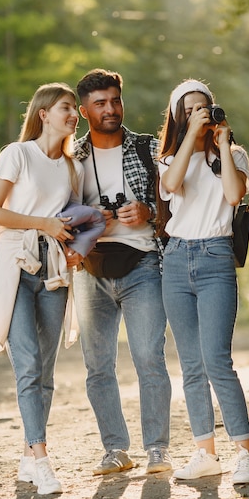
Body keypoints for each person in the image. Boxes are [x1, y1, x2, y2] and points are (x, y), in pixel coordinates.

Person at [0, 82, 95, 495]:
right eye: (66, 107)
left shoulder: (72, 168)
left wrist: (77, 251)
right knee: (27, 363)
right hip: (16, 265)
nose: (73, 115)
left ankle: (29, 455)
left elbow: (77, 219)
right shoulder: (18, 155)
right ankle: (43, 458)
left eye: (74, 110)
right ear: (44, 113)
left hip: (54, 272)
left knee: (44, 372)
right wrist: (43, 224)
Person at [71, 68, 172, 476]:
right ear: (83, 111)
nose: (110, 109)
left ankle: (158, 451)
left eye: (115, 100)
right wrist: (90, 218)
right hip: (91, 269)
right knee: (98, 366)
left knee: (149, 357)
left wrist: (148, 211)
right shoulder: (71, 158)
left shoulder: (149, 148)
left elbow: (175, 203)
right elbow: (56, 215)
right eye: (100, 103)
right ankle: (116, 450)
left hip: (142, 262)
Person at [157, 79, 249, 484]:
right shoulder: (169, 158)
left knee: (217, 360)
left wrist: (222, 143)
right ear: (179, 116)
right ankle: (205, 452)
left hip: (216, 257)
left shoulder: (234, 155)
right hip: (177, 260)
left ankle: (245, 453)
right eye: (190, 109)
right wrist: (191, 138)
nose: (199, 114)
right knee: (191, 365)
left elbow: (233, 196)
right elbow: (170, 186)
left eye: (205, 107)